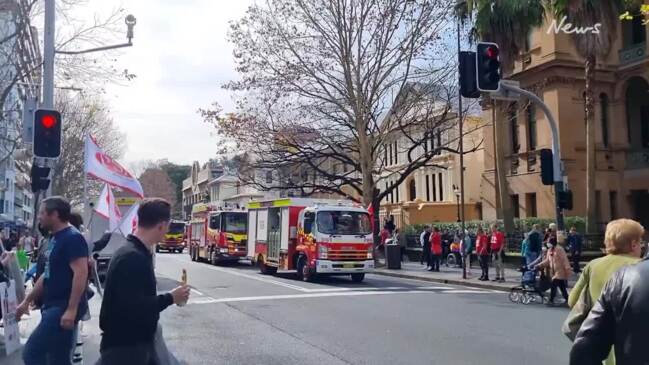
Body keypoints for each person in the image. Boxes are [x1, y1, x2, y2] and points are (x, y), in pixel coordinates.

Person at [97, 198, 190, 364]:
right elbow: (134, 307)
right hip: (126, 348)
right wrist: (171, 297)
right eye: (167, 226)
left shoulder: (133, 251)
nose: (167, 230)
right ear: (161, 225)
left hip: (134, 343)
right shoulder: (132, 257)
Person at [16, 197, 89, 365]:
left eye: (42, 213)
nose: (39, 217)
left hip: (61, 308)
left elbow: (81, 274)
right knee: (59, 359)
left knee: (31, 353)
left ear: (54, 214)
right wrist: (27, 300)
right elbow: (47, 274)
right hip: (52, 306)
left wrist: (71, 309)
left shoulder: (72, 238)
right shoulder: (54, 238)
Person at [568, 219, 643, 365]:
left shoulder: (593, 265)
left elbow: (572, 300)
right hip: (632, 348)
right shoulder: (639, 267)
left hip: (602, 346)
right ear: (633, 244)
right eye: (640, 242)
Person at [535, 234, 571, 306]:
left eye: (549, 243)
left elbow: (564, 260)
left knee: (554, 285)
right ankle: (568, 300)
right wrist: (539, 265)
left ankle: (551, 300)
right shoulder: (550, 250)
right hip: (554, 272)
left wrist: (567, 269)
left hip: (560, 271)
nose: (548, 244)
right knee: (562, 287)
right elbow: (547, 261)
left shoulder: (559, 249)